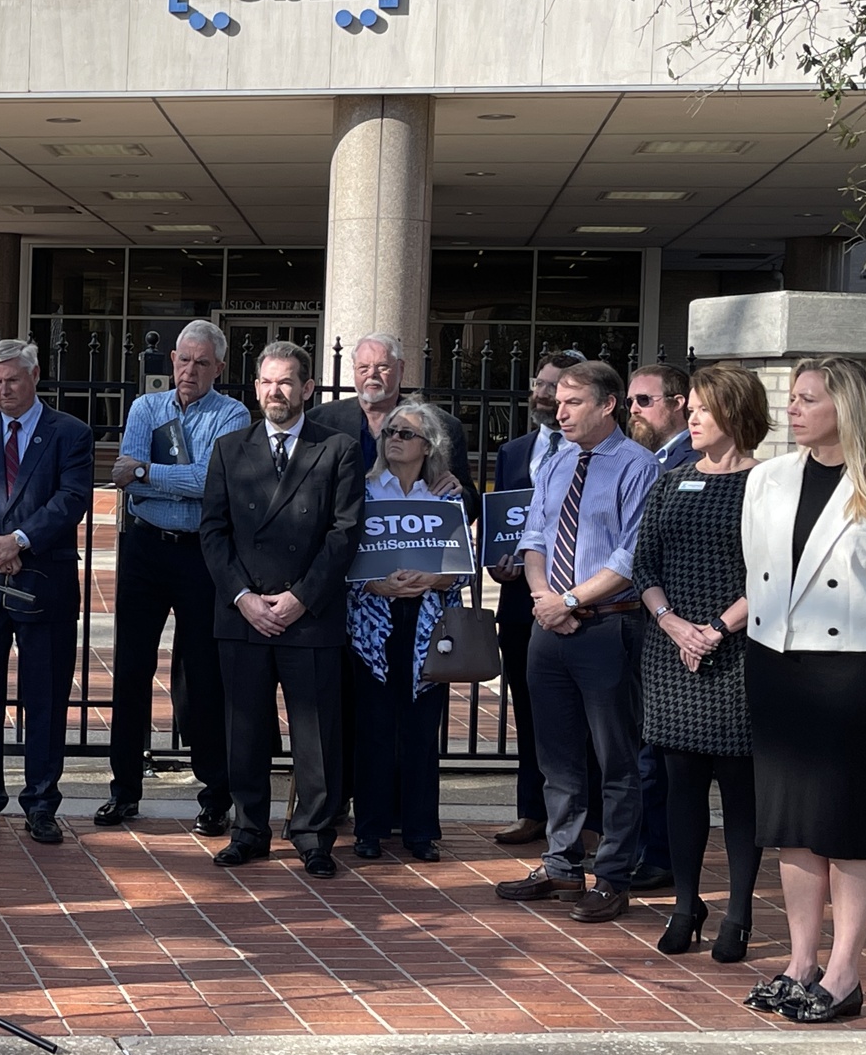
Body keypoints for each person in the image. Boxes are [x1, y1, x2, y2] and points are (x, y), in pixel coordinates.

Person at [739, 356, 866, 1023]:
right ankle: (800, 962)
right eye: (794, 397)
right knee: (790, 823)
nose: (794, 409)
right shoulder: (769, 479)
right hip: (777, 660)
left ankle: (844, 974)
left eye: (808, 398)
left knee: (842, 821)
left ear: (847, 406)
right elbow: (758, 567)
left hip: (856, 670)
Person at [494, 360, 658, 922]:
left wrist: (569, 602)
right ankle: (561, 864)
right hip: (551, 625)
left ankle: (611, 874)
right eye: (556, 402)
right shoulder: (557, 464)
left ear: (608, 404)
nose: (558, 412)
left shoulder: (638, 467)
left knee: (615, 758)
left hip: (608, 625)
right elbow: (534, 537)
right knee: (555, 755)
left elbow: (631, 557)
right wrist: (545, 599)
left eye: (572, 402)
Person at [199, 341, 363, 876]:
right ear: (255, 388)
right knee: (243, 730)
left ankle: (313, 835)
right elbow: (214, 531)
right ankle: (248, 830)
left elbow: (344, 534)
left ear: (308, 389)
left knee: (315, 733)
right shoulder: (229, 448)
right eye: (267, 382)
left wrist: (298, 599)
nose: (276, 391)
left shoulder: (336, 448)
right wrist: (244, 598)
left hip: (308, 613)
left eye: (287, 382)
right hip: (243, 614)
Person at [630, 364, 769, 961]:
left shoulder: (769, 486)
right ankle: (687, 904)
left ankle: (738, 913)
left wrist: (715, 629)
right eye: (690, 408)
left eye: (704, 409)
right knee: (679, 786)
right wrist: (672, 624)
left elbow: (774, 572)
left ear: (736, 414)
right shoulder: (672, 480)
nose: (691, 416)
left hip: (736, 655)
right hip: (671, 653)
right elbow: (645, 565)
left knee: (741, 791)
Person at [96, 319, 251, 834]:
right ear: (172, 361)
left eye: (202, 362)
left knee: (202, 677)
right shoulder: (145, 408)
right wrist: (147, 478)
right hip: (145, 549)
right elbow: (123, 475)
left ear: (219, 368)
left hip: (201, 555)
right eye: (184, 360)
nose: (190, 370)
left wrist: (146, 474)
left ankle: (215, 794)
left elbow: (213, 482)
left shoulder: (233, 414)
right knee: (131, 670)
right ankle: (124, 789)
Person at [0, 338, 95, 845]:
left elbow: (72, 499)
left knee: (45, 699)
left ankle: (42, 805)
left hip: (42, 584)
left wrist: (19, 541)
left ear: (34, 377)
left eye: (12, 380)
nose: (4, 391)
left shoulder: (70, 433)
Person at [347, 402, 465, 863]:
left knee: (420, 729)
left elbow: (464, 566)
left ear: (427, 446)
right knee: (374, 726)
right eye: (390, 431)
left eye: (405, 433)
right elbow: (344, 552)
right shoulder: (361, 490)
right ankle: (369, 829)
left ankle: (419, 831)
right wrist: (372, 582)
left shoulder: (445, 495)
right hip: (373, 625)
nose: (394, 437)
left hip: (427, 624)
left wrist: (436, 579)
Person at [487, 350, 583, 845]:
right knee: (527, 709)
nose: (544, 396)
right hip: (522, 604)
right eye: (540, 385)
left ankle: (586, 820)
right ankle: (532, 810)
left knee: (581, 717)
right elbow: (503, 528)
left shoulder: (600, 452)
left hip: (582, 603)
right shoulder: (513, 451)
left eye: (556, 389)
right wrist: (498, 565)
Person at [624, 360, 701, 889]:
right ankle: (645, 847)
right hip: (646, 620)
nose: (633, 409)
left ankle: (662, 856)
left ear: (678, 402)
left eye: (644, 401)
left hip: (684, 625)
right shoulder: (644, 459)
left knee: (663, 754)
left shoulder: (688, 464)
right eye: (630, 400)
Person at [307, 333, 473, 503]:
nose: (372, 374)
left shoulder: (443, 426)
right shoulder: (319, 421)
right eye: (363, 368)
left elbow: (470, 500)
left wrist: (455, 492)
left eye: (382, 367)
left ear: (400, 369)